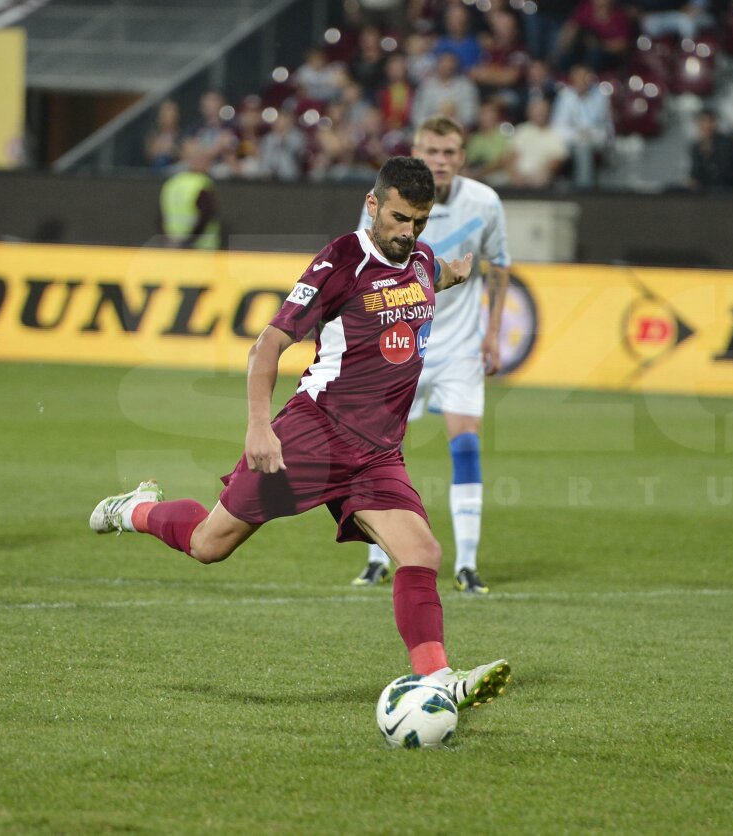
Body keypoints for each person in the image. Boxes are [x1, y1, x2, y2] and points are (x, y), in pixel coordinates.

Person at [90, 156, 511, 710]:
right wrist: (260, 426)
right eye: (400, 218)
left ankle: (436, 681)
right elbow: (267, 343)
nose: (408, 233)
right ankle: (136, 510)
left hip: (378, 453)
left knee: (421, 551)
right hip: (313, 436)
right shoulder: (341, 260)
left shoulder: (421, 259)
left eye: (420, 222)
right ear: (373, 204)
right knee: (208, 544)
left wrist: (455, 271)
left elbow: (431, 277)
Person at [352, 117, 510, 595]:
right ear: (417, 151)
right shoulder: (389, 198)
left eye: (449, 152)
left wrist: (493, 334)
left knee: (465, 444)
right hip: (399, 342)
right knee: (375, 448)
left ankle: (466, 563)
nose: (440, 160)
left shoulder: (485, 202)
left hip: (460, 344)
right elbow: (363, 266)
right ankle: (377, 556)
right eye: (432, 151)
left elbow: (499, 265)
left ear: (462, 156)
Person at [159, 139, 221, 249]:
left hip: (173, 248)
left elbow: (161, 216)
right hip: (200, 250)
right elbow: (206, 215)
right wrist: (188, 241)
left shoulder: (172, 183)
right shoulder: (201, 184)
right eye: (205, 159)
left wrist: (170, 240)